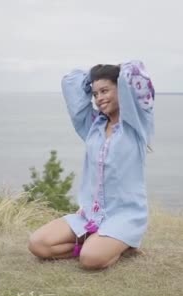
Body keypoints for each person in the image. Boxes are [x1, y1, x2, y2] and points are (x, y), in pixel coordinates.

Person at [28, 60, 155, 270]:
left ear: (122, 89)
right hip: (90, 215)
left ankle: (118, 245)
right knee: (38, 244)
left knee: (90, 260)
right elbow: (70, 83)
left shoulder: (136, 125)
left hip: (124, 216)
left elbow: (135, 72)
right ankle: (97, 243)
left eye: (105, 91)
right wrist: (93, 76)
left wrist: (116, 71)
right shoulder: (92, 126)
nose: (99, 99)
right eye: (95, 94)